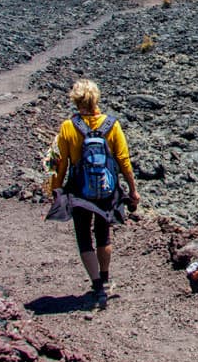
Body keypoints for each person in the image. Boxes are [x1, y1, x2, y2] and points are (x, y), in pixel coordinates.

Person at [47, 79, 140, 308]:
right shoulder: (112, 125)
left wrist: (55, 189)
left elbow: (60, 163)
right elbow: (123, 160)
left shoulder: (68, 127)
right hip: (106, 190)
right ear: (96, 99)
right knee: (103, 233)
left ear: (76, 100)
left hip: (79, 190)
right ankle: (106, 280)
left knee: (83, 236)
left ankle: (97, 286)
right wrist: (133, 190)